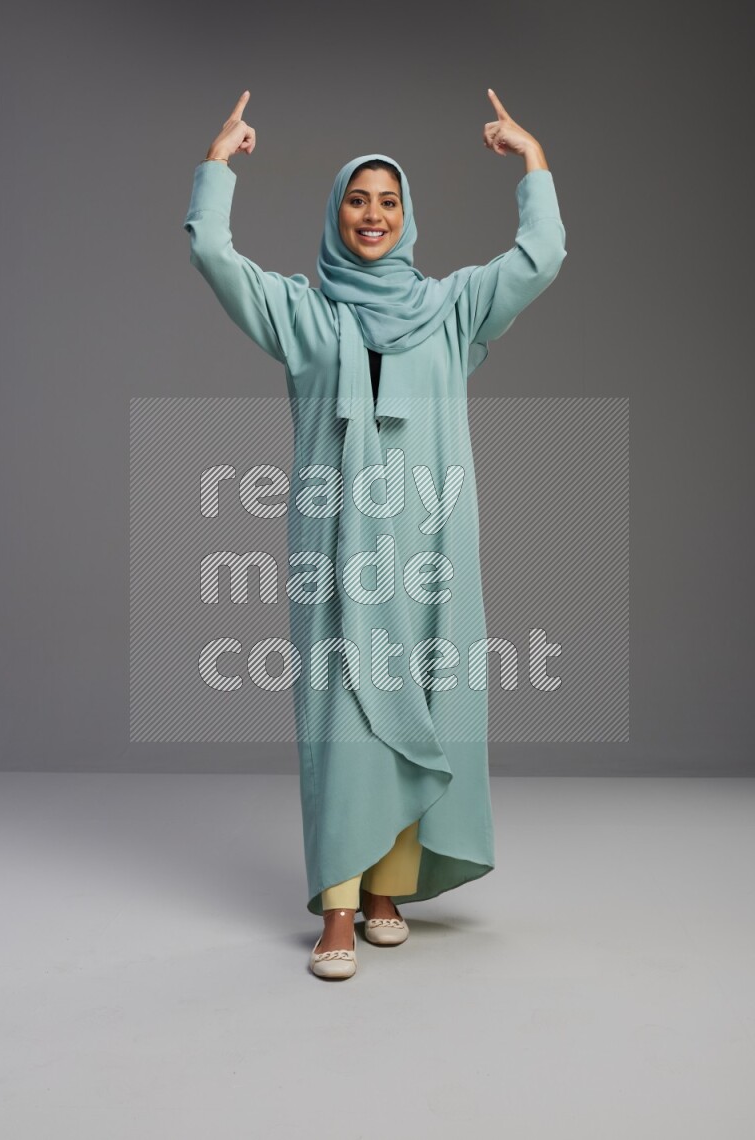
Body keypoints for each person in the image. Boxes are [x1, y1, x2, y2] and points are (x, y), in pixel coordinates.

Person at [183, 88, 567, 980]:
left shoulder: (454, 307)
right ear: (335, 213)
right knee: (342, 715)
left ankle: (390, 891)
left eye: (388, 201)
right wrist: (218, 165)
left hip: (434, 545)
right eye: (357, 199)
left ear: (407, 215)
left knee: (424, 697)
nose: (373, 215)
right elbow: (211, 251)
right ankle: (339, 909)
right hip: (337, 550)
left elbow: (541, 255)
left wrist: (533, 159)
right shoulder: (302, 313)